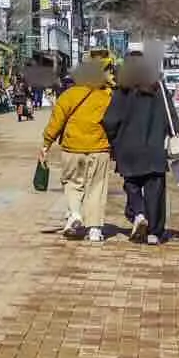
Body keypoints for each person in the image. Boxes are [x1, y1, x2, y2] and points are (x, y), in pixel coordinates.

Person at [40, 53, 116, 242]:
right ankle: (95, 229)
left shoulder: (70, 94)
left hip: (72, 147)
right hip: (99, 148)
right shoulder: (108, 95)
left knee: (73, 183)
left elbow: (56, 120)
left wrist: (46, 143)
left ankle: (74, 213)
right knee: (96, 187)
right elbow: (116, 121)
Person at [102, 51, 172, 244]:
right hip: (154, 149)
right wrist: (177, 136)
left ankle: (139, 214)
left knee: (132, 185)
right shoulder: (159, 88)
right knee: (155, 190)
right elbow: (170, 116)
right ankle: (154, 232)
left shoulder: (122, 90)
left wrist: (114, 140)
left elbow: (109, 120)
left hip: (128, 149)